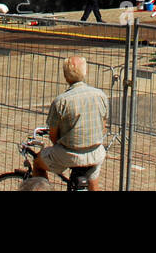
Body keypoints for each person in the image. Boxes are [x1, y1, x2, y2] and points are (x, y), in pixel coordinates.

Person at [32, 56, 109, 190]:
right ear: (85, 73)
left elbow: (53, 136)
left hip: (70, 154)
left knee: (38, 163)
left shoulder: (61, 101)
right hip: (96, 151)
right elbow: (103, 127)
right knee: (93, 176)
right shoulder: (101, 95)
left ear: (66, 76)